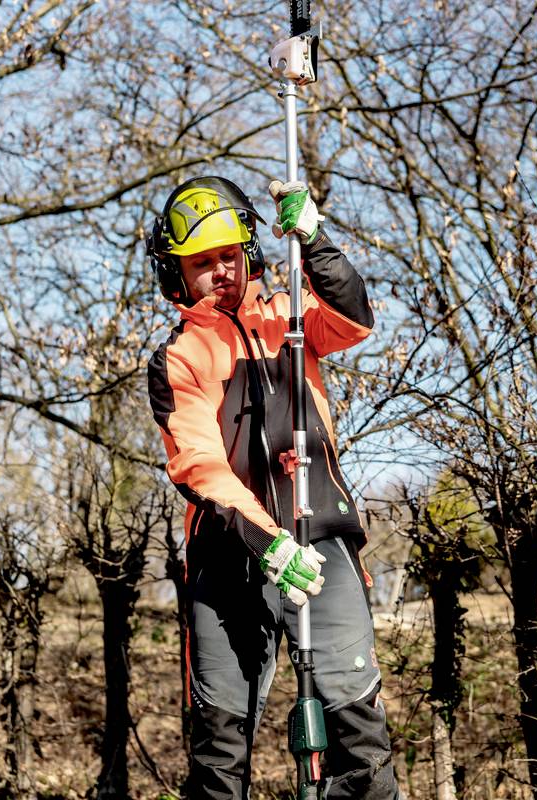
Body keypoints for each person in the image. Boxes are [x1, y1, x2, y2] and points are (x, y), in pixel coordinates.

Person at [146, 175, 399, 799]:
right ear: (179, 273)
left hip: (324, 537)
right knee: (219, 748)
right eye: (202, 263)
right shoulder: (179, 356)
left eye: (229, 255)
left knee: (358, 732)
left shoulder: (290, 317)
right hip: (229, 558)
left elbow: (353, 320)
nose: (221, 272)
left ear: (250, 251)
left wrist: (313, 241)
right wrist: (269, 543)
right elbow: (199, 467)